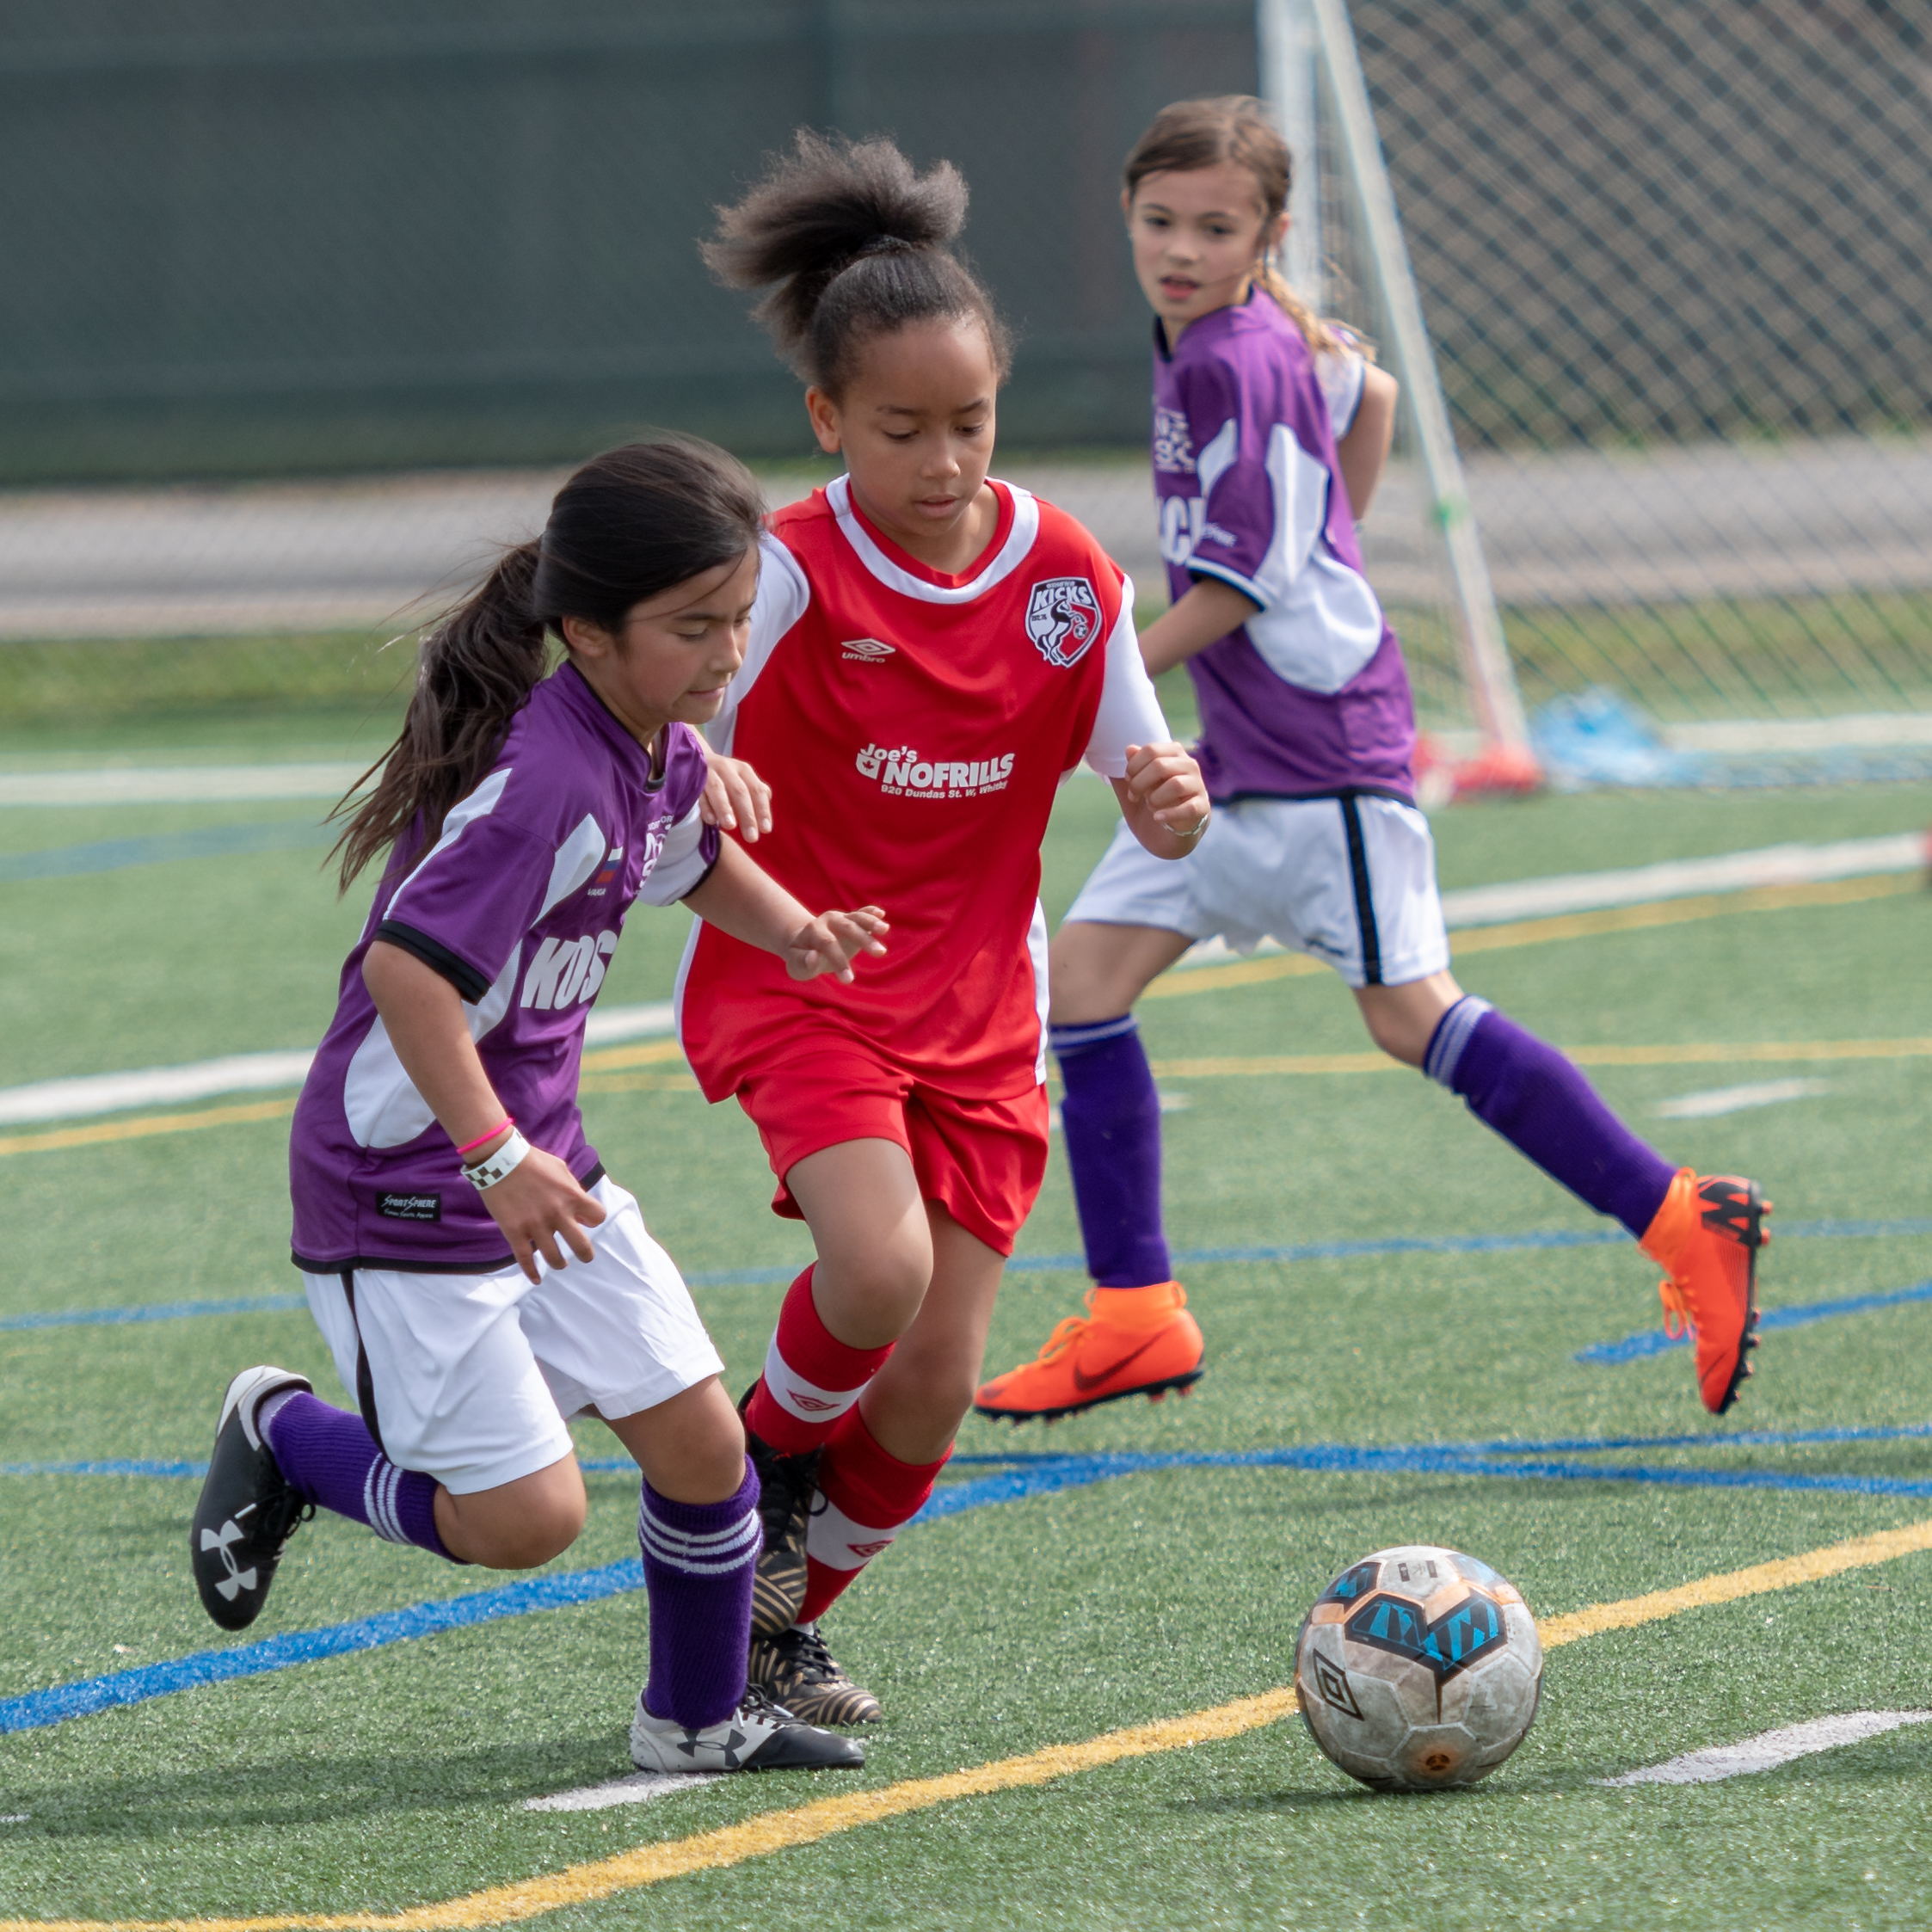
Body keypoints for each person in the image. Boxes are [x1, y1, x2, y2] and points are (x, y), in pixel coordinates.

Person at [973, 95, 1768, 1429]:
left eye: (1213, 227)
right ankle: (1132, 1315)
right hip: (1240, 757)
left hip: (1317, 751)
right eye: (1158, 220)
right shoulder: (1252, 331)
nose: (1178, 246)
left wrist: (1080, 690)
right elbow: (1370, 391)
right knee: (1088, 983)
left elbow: (1231, 585)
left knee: (1410, 1016)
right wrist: (1328, 531)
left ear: (1267, 232)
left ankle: (1682, 1215)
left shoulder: (1237, 355)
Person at [188, 440, 889, 1776]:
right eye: (693, 628)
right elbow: (403, 973)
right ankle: (280, 1431)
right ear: (586, 630)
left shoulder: (648, 741)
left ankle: (694, 1720)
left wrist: (795, 930)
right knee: (524, 1519)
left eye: (739, 619)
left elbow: (689, 861)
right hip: (404, 1191)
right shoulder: (542, 782)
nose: (728, 653)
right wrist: (494, 1153)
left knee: (701, 1445)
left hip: (543, 1169)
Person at [682, 132, 1211, 1726]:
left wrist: (1166, 798)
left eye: (968, 423)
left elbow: (1140, 760)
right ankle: (745, 1485)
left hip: (982, 1009)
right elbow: (669, 717)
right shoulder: (782, 571)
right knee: (874, 1264)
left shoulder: (1064, 575)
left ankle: (776, 1622)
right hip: (809, 977)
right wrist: (698, 757)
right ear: (828, 420)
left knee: (928, 1384)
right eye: (899, 429)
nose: (941, 460)